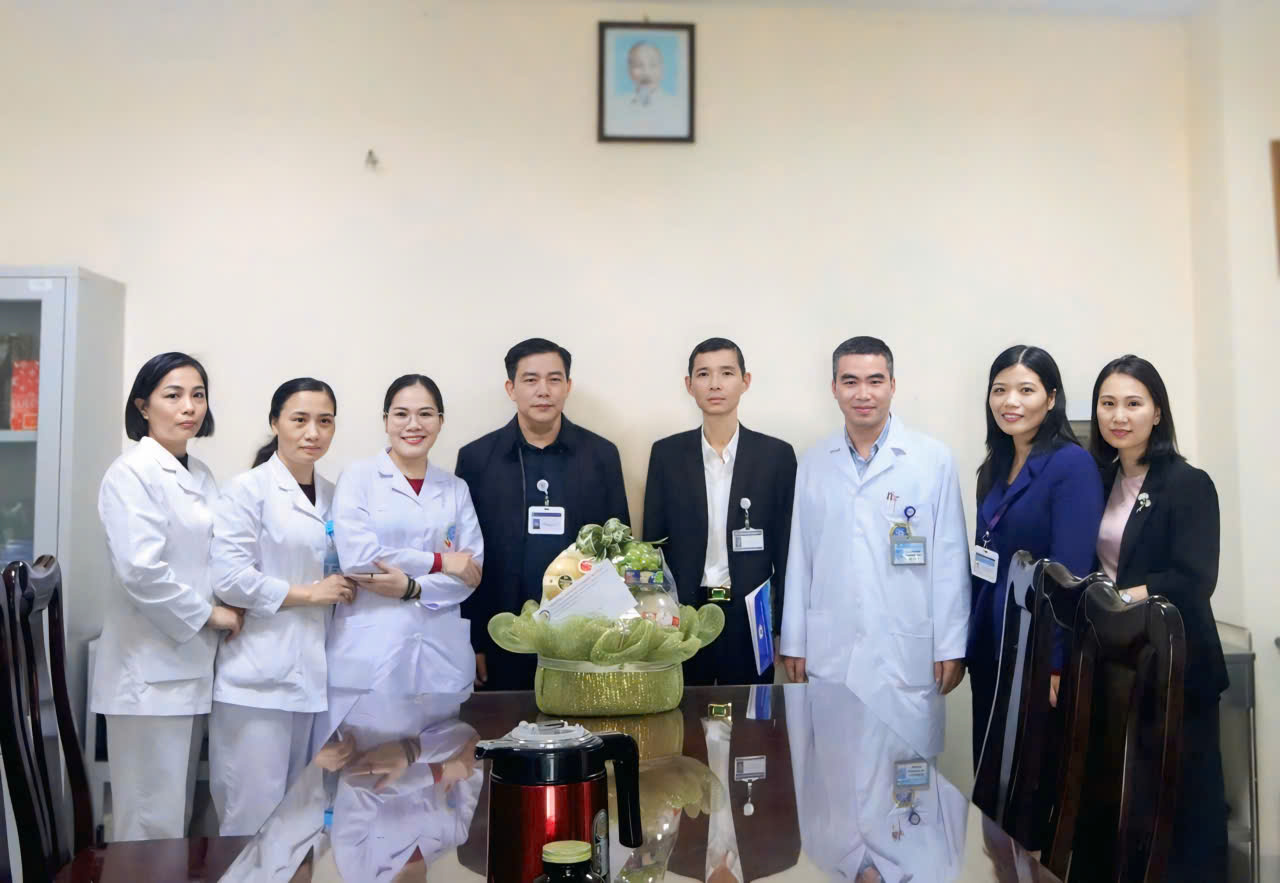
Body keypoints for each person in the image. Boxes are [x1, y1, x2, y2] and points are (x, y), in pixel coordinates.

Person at [780, 336, 969, 759]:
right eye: (850, 381)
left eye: (875, 381)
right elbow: (800, 558)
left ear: (892, 386)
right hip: (833, 649)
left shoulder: (932, 459)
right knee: (833, 774)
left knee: (907, 783)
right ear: (834, 389)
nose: (863, 393)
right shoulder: (814, 462)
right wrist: (795, 640)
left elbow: (950, 560)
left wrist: (951, 646)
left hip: (906, 652)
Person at [91, 352, 244, 841]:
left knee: (175, 818)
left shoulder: (199, 472)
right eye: (173, 395)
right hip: (147, 675)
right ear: (143, 406)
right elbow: (140, 570)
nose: (189, 407)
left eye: (198, 395)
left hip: (187, 668)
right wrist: (209, 615)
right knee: (148, 823)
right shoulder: (131, 473)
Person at [1089, 355, 1227, 880]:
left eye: (1133, 403)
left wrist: (1120, 597)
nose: (1118, 416)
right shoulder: (1101, 479)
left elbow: (1195, 578)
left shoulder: (1187, 482)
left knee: (1184, 812)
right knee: (1130, 811)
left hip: (1178, 667)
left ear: (1158, 412)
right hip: (1122, 665)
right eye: (1107, 404)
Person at [207, 378, 357, 836]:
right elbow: (229, 579)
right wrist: (310, 593)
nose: (313, 432)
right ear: (275, 423)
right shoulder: (247, 490)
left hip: (313, 680)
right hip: (257, 682)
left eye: (324, 421)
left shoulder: (337, 495)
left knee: (303, 819)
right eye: (299, 420)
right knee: (252, 822)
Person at [457, 339, 629, 691]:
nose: (543, 391)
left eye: (554, 379)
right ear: (511, 388)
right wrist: (473, 641)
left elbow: (618, 551)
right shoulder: (477, 459)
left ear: (568, 386)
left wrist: (616, 634)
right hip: (502, 633)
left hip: (583, 635)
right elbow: (467, 557)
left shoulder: (601, 456)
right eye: (531, 380)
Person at [967, 345, 1103, 770]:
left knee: (1031, 782)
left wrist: (1054, 663)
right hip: (992, 645)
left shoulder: (1072, 465)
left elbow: (1070, 574)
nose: (1010, 401)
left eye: (1026, 390)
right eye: (1000, 390)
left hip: (1038, 651)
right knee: (990, 776)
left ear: (1051, 398)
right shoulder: (996, 465)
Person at [326, 375, 483, 714]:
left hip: (440, 656)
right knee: (371, 744)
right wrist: (441, 561)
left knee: (440, 743)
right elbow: (359, 558)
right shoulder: (358, 478)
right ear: (386, 421)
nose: (414, 424)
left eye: (425, 414)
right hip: (372, 651)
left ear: (440, 421)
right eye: (401, 414)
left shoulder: (455, 488)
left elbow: (471, 570)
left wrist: (412, 588)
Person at [643, 337, 796, 685]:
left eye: (726, 373)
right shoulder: (667, 455)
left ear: (745, 381)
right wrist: (653, 616)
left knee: (750, 712)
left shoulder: (775, 456)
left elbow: (788, 550)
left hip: (750, 616)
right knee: (684, 712)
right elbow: (653, 544)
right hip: (684, 615)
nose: (715, 384)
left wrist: (785, 628)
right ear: (689, 385)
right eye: (703, 374)